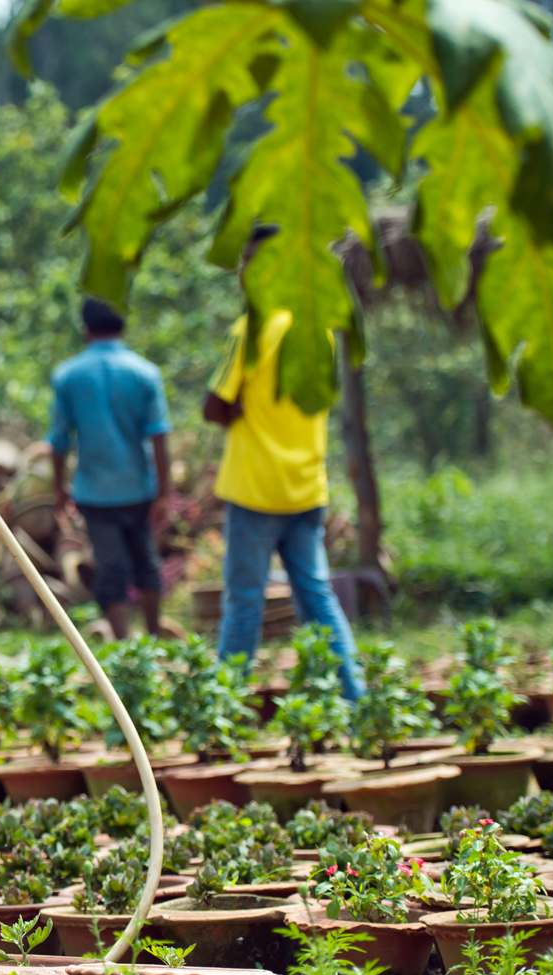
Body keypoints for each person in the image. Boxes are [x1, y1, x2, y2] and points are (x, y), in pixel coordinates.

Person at [202, 225, 363, 699]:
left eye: (253, 261)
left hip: (255, 490)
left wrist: (236, 408)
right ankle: (357, 701)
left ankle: (223, 707)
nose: (244, 271)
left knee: (244, 606)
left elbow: (214, 406)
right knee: (318, 600)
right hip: (306, 487)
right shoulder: (319, 331)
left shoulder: (251, 328)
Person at [28, 298, 172, 640]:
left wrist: (60, 487)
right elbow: (160, 437)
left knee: (110, 566)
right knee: (145, 561)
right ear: (123, 323)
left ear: (85, 327)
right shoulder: (144, 373)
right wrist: (164, 492)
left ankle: (124, 644)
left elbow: (59, 441)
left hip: (94, 491)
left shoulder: (69, 376)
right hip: (139, 485)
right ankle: (151, 634)